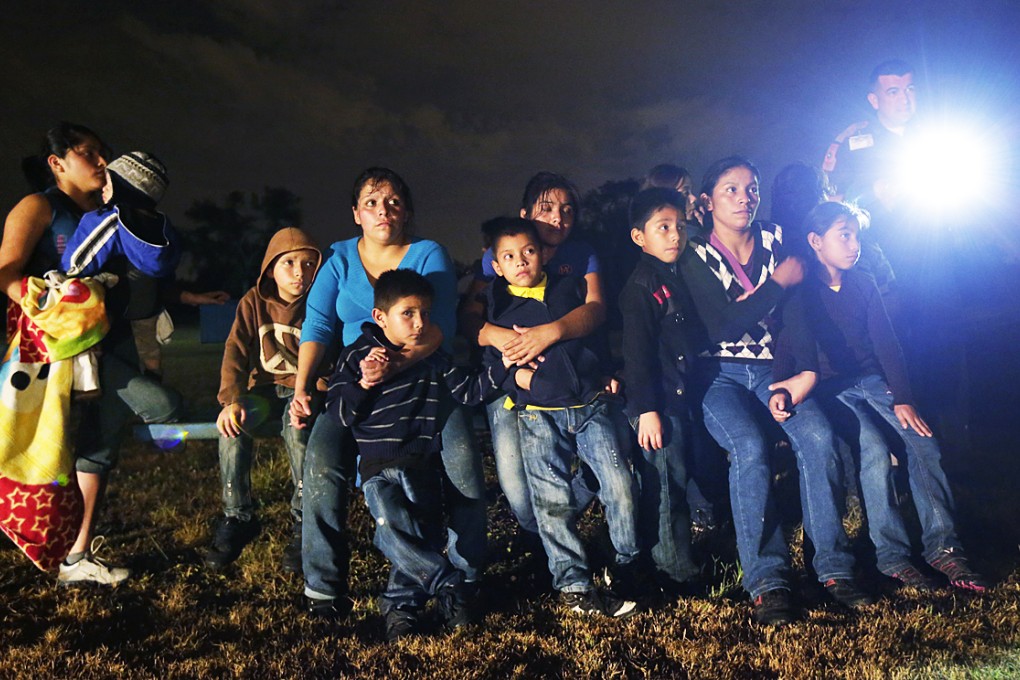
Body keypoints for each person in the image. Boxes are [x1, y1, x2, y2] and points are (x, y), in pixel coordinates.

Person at [679, 156, 869, 625]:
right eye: (731, 190)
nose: (744, 198)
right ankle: (767, 579)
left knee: (817, 436)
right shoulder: (694, 251)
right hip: (716, 371)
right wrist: (777, 283)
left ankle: (833, 567)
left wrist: (803, 372)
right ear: (708, 200)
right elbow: (722, 323)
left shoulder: (775, 238)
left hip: (774, 366)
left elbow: (797, 313)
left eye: (751, 188)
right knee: (749, 446)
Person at [289, 167, 481, 620]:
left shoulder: (427, 254)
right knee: (322, 458)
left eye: (393, 201)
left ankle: (468, 576)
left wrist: (399, 363)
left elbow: (442, 328)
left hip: (424, 379)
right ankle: (323, 590)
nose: (383, 209)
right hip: (360, 382)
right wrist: (301, 389)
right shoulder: (338, 261)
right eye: (372, 202)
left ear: (407, 212)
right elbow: (317, 326)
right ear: (356, 213)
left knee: (462, 458)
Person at [0, 123, 183, 585]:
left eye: (104, 153)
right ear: (57, 163)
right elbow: (5, 270)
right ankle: (28, 530)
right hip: (54, 347)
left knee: (98, 448)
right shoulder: (38, 206)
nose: (102, 161)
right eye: (89, 153)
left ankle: (77, 557)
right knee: (29, 446)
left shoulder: (115, 211)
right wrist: (40, 295)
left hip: (110, 341)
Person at [772, 201, 988, 592]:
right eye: (844, 235)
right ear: (816, 241)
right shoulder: (802, 291)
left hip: (870, 379)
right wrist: (781, 387)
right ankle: (892, 556)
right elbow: (787, 344)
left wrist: (903, 396)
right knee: (871, 449)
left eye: (857, 235)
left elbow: (887, 344)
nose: (854, 244)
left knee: (921, 440)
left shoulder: (863, 282)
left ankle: (945, 548)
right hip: (829, 386)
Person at [328, 269, 502, 641]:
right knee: (390, 528)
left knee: (415, 537)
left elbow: (470, 392)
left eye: (425, 312)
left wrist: (506, 363)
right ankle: (448, 584)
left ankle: (400, 609)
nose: (420, 323)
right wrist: (363, 383)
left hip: (422, 464)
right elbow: (340, 414)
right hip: (378, 467)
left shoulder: (433, 358)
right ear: (380, 317)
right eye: (407, 313)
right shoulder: (357, 356)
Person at [482, 217, 640, 618]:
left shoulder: (571, 290)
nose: (521, 261)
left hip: (589, 403)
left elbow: (595, 333)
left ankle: (627, 564)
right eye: (509, 256)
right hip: (537, 414)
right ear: (496, 265)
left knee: (619, 483)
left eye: (529, 252)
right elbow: (490, 364)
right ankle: (573, 585)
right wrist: (517, 378)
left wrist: (605, 373)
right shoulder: (497, 307)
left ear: (545, 254)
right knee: (550, 501)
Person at [460, 172, 603, 553]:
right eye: (547, 209)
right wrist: (502, 340)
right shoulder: (504, 254)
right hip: (507, 379)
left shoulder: (581, 254)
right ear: (525, 214)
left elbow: (596, 308)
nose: (558, 218)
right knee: (517, 490)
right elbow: (470, 316)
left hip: (565, 379)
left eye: (567, 210)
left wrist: (551, 332)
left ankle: (556, 543)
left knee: (573, 472)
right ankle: (543, 534)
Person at [202, 227, 323, 573]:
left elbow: (331, 352)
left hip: (305, 391)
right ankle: (237, 516)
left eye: (308, 264)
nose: (300, 272)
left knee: (298, 433)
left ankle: (304, 522)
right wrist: (232, 398)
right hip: (263, 391)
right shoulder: (253, 302)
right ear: (271, 268)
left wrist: (314, 392)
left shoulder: (321, 302)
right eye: (289, 263)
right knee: (232, 428)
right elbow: (235, 351)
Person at [618, 188, 700, 595]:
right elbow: (637, 354)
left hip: (677, 398)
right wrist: (647, 409)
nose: (674, 236)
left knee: (676, 479)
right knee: (667, 486)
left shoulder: (674, 274)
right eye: (663, 227)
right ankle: (674, 573)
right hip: (659, 405)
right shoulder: (640, 287)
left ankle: (672, 562)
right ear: (639, 237)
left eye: (680, 227)